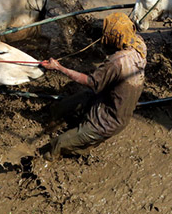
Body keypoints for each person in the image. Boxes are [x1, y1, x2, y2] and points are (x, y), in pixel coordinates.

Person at [38, 13, 146, 160]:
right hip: (107, 98)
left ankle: (49, 158)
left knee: (58, 143)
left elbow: (91, 82)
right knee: (64, 106)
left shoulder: (116, 62)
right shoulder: (139, 45)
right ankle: (54, 118)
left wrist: (59, 67)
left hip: (107, 122)